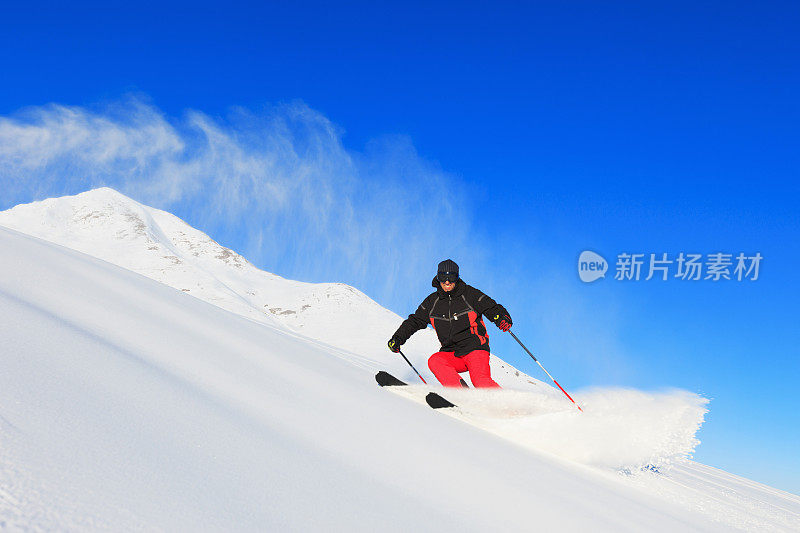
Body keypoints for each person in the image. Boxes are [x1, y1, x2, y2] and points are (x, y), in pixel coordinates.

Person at [387, 259, 512, 388]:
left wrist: (502, 317)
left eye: (451, 277)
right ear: (438, 277)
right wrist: (398, 338)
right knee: (435, 361)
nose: (447, 281)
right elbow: (415, 321)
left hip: (475, 349)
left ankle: (510, 406)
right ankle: (461, 394)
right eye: (443, 277)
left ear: (457, 277)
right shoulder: (432, 302)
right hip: (452, 352)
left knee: (480, 381)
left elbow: (491, 307)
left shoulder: (469, 294)